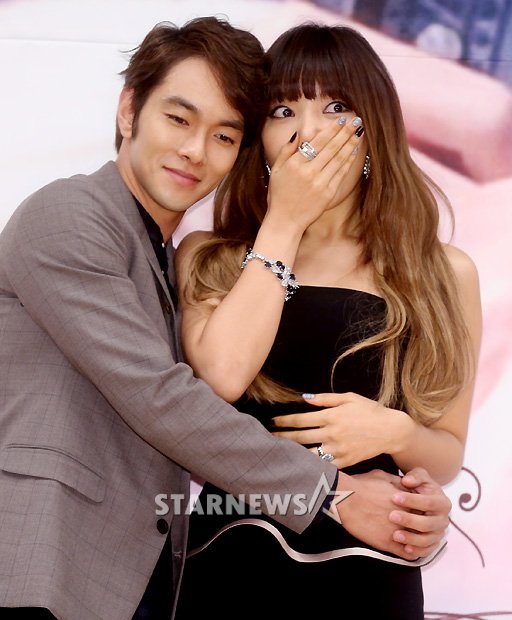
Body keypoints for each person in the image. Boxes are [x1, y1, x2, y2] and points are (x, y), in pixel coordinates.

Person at [0, 17, 451, 620]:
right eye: (178, 119)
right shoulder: (69, 217)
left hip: (148, 576)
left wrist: (408, 483)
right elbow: (166, 400)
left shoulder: (165, 255)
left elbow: (442, 443)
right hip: (49, 567)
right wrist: (336, 492)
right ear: (129, 111)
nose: (195, 150)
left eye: (223, 135)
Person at [174, 23, 481, 619]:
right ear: (259, 135)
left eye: (336, 107)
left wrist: (395, 434)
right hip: (232, 557)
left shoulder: (444, 272)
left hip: (371, 570)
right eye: (284, 110)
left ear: (375, 127)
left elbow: (445, 453)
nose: (309, 132)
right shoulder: (209, 256)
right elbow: (220, 381)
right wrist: (286, 221)